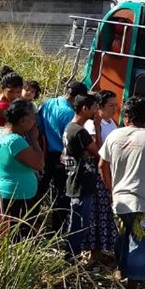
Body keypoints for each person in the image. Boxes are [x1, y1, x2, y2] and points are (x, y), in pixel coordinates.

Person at [99, 97, 145, 289]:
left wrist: (111, 189)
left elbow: (102, 165)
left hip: (120, 203)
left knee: (122, 241)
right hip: (144, 205)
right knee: (140, 247)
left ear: (127, 117)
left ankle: (120, 277)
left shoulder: (114, 136)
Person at [37, 79, 91, 231]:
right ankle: (57, 230)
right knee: (61, 196)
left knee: (41, 191)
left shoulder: (47, 103)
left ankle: (32, 223)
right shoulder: (68, 113)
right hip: (61, 156)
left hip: (45, 153)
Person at [0, 99, 45, 237]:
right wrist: (34, 140)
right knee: (15, 237)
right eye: (32, 116)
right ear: (23, 120)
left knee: (0, 236)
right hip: (15, 197)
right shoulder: (15, 141)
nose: (34, 121)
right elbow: (39, 164)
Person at [62, 93, 102, 260]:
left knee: (77, 221)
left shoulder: (69, 128)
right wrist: (98, 129)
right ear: (85, 109)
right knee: (80, 224)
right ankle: (72, 256)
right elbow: (98, 153)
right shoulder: (80, 132)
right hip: (81, 183)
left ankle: (72, 255)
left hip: (75, 181)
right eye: (94, 107)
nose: (97, 110)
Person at [84, 89, 120, 262]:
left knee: (104, 213)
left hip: (110, 171)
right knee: (95, 213)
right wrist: (97, 128)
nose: (114, 109)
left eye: (115, 105)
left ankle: (100, 250)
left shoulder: (111, 123)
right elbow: (96, 150)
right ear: (100, 106)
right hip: (97, 173)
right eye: (110, 105)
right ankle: (93, 253)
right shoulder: (92, 125)